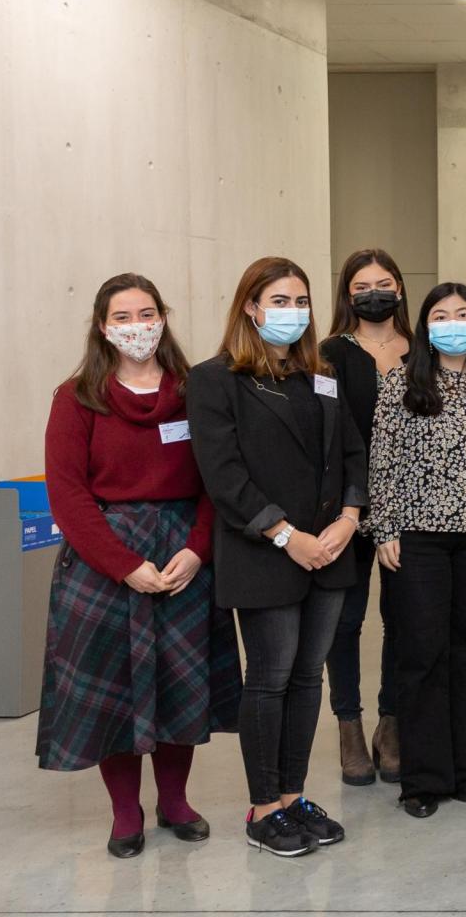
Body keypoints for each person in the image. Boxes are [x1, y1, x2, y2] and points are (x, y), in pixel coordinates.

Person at [39, 273, 240, 858]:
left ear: (163, 318)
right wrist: (124, 564)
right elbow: (68, 496)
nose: (136, 327)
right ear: (103, 327)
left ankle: (174, 801)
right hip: (105, 561)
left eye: (146, 313)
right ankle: (125, 812)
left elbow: (215, 479)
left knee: (184, 682)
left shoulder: (192, 391)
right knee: (114, 690)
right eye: (122, 317)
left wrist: (197, 548)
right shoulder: (75, 398)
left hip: (184, 554)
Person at [188, 257, 364, 858]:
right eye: (279, 301)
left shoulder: (321, 372)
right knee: (269, 676)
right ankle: (263, 807)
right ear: (250, 307)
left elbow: (350, 452)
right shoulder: (215, 380)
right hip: (265, 552)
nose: (292, 312)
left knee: (308, 676)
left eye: (301, 301)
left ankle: (292, 796)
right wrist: (289, 536)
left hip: (331, 548)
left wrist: (349, 517)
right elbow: (224, 476)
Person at [363, 283, 466, 819]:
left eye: (463, 313)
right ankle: (422, 778)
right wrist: (384, 528)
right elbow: (381, 461)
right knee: (423, 652)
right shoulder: (400, 384)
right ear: (426, 325)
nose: (452, 321)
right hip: (419, 539)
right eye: (439, 314)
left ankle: (463, 769)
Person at [319, 249, 408, 787]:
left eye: (382, 282)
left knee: (402, 621)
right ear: (346, 295)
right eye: (361, 285)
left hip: (411, 507)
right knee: (345, 621)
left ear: (399, 287)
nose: (373, 292)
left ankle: (391, 725)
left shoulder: (422, 348)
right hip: (344, 509)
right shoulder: (328, 354)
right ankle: (349, 727)